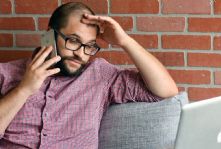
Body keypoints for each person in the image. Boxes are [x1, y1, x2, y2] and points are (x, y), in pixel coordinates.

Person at [0, 2, 178, 149]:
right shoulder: (6, 74)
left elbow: (166, 90)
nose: (81, 54)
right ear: (50, 35)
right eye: (74, 41)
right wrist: (24, 89)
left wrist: (124, 41)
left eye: (89, 46)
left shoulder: (99, 77)